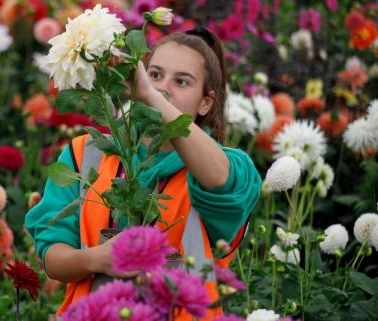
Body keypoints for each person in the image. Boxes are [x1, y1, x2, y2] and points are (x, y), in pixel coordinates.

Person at [25, 28, 262, 320]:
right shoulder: (84, 153)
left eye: (182, 82)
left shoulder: (230, 168)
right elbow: (51, 256)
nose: (164, 88)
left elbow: (218, 179)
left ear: (206, 103)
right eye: (155, 75)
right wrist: (95, 259)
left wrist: (150, 95)